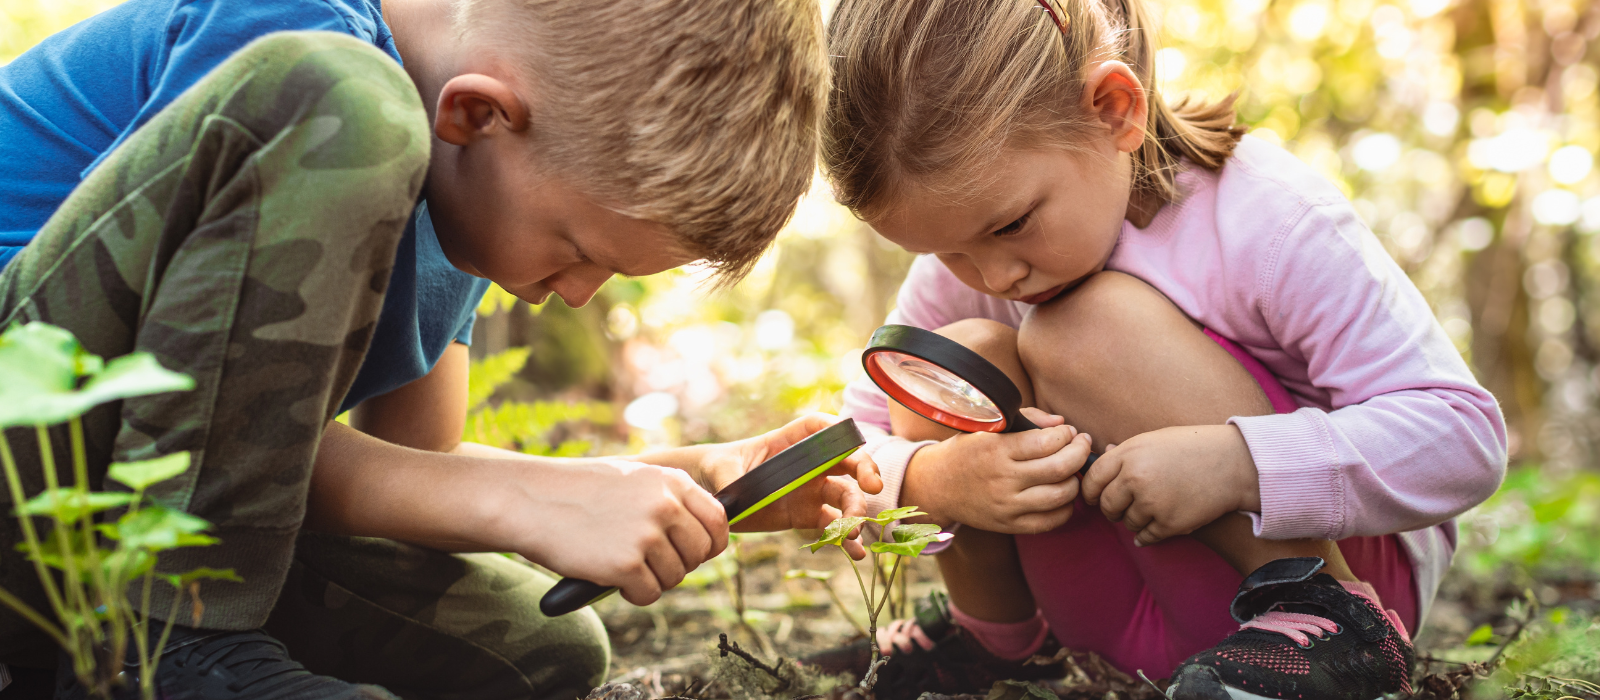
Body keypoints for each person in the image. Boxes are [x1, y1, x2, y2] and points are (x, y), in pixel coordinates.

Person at [0, 0, 881, 698]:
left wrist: (679, 484)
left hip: (105, 514)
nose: (575, 293)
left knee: (539, 648)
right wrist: (525, 496)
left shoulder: (468, 200)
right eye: (577, 250)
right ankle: (167, 651)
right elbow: (155, 391)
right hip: (32, 404)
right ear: (476, 113)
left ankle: (137, 647)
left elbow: (407, 470)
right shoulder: (311, 58)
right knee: (347, 101)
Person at [811, 1, 1508, 699]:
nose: (995, 277)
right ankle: (995, 643)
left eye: (1015, 225)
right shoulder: (974, 247)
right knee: (951, 355)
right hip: (1096, 614)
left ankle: (1324, 617)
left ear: (1115, 110)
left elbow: (1463, 438)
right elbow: (851, 447)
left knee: (1083, 327)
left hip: (1322, 589)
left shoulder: (1264, 217)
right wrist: (937, 480)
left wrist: (1240, 465)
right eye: (946, 251)